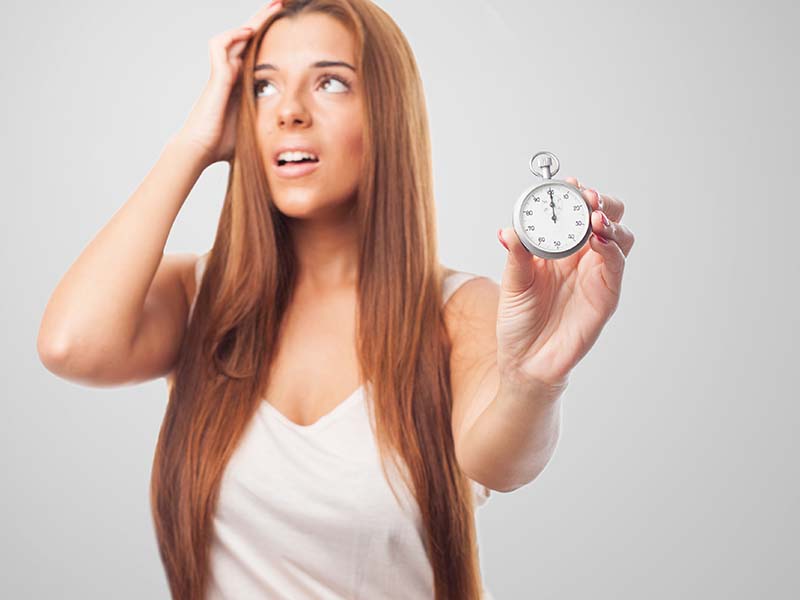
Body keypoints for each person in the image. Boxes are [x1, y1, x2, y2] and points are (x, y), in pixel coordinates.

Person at [36, 1, 635, 599]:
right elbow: (70, 346)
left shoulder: (461, 313)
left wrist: (533, 380)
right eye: (264, 87)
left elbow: (500, 462)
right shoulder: (199, 298)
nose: (290, 112)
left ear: (387, 111)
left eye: (329, 82)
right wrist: (194, 143)